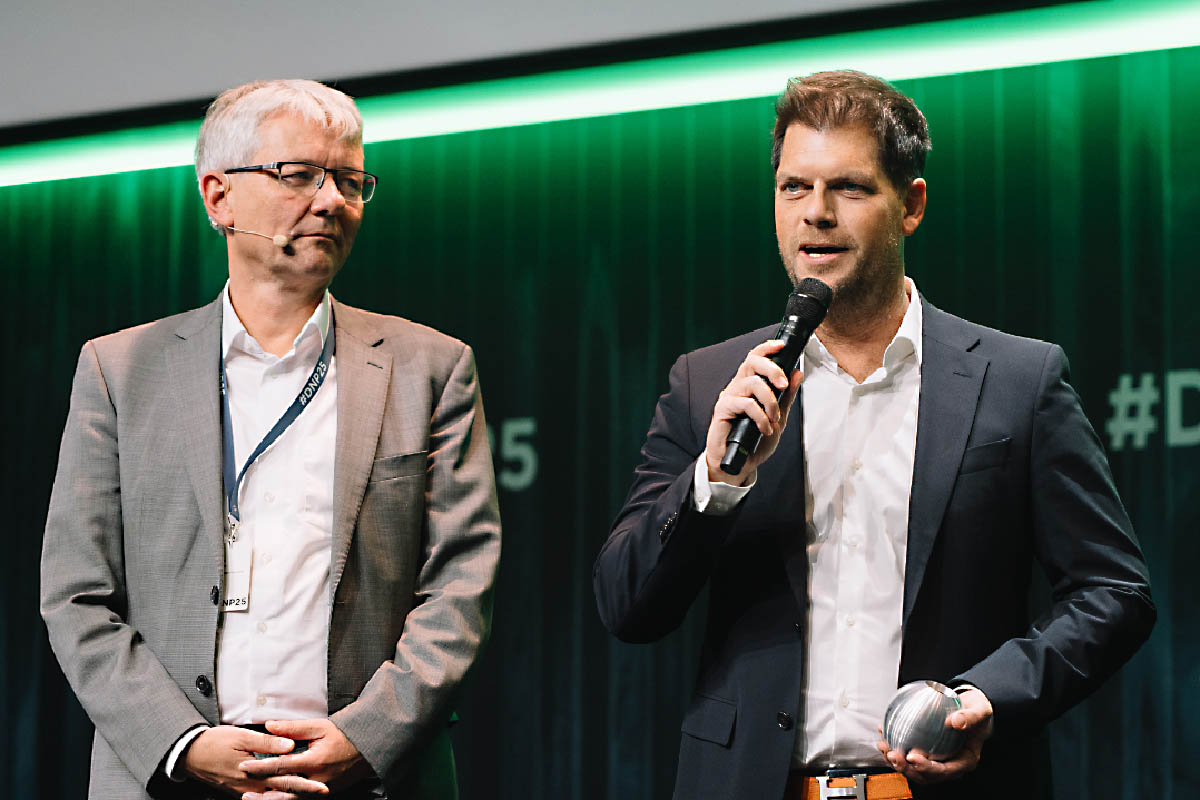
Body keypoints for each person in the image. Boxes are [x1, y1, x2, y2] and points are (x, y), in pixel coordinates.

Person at [593, 70, 1154, 800]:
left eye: (849, 188)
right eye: (794, 187)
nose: (816, 214)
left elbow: (1114, 591)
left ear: (910, 205)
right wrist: (716, 481)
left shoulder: (1019, 381)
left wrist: (988, 696)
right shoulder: (709, 384)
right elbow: (626, 606)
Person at [40, 79, 501, 800]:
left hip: (367, 779)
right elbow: (77, 594)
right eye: (299, 175)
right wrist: (182, 743)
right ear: (218, 196)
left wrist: (366, 737)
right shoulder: (120, 370)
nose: (332, 200)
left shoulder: (431, 367)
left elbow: (460, 585)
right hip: (170, 778)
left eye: (350, 181)